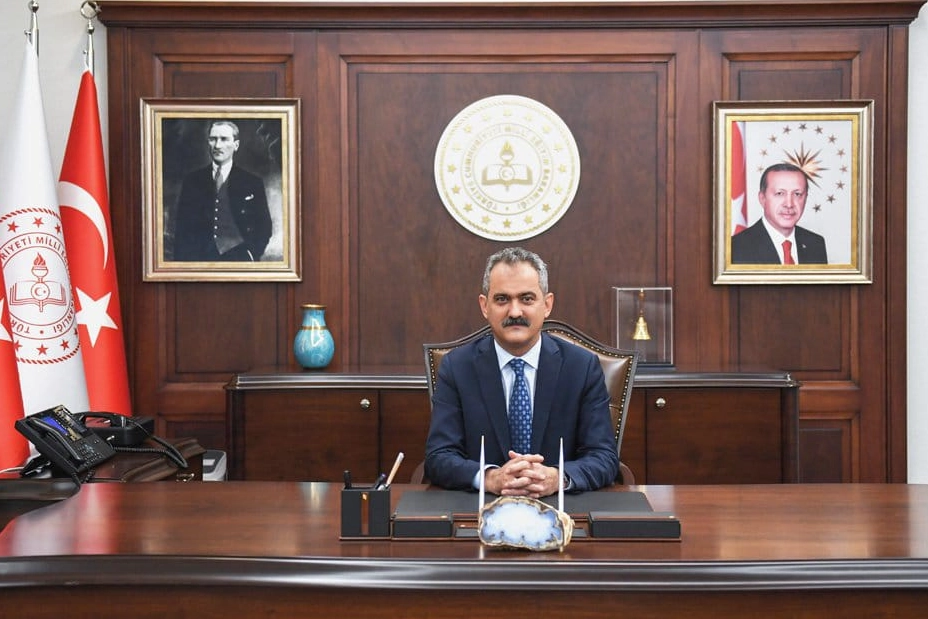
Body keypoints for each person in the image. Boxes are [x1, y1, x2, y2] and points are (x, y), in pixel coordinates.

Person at [424, 247, 619, 497]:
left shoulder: (581, 367)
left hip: (561, 510)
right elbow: (439, 456)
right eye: (502, 299)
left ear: (547, 305)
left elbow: (604, 457)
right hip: (482, 509)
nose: (515, 312)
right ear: (484, 306)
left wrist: (557, 478)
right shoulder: (457, 367)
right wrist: (491, 478)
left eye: (526, 299)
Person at [172, 120, 272, 262]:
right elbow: (182, 228)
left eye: (224, 139)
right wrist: (183, 264)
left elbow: (264, 226)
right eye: (213, 139)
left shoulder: (252, 182)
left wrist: (251, 254)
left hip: (239, 257)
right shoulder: (192, 181)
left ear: (236, 145)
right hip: (199, 258)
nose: (217, 145)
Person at [730, 162, 828, 265]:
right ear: (762, 198)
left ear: (805, 198)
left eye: (797, 194)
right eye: (780, 193)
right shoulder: (736, 248)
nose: (789, 204)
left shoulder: (816, 244)